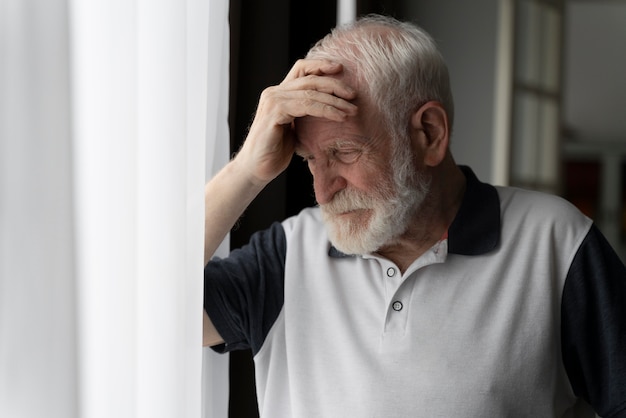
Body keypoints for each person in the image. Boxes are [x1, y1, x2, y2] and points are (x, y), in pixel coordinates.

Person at [202, 14, 626, 418]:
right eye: (310, 160)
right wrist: (246, 173)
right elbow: (143, 311)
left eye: (344, 152)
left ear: (430, 133)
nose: (322, 190)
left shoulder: (556, 243)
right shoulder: (288, 255)